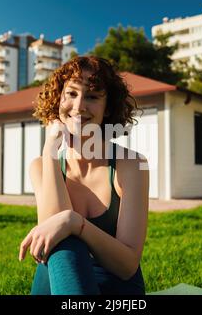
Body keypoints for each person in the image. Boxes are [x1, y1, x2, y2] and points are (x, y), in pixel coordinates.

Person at [18, 55, 149, 295]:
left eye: (92, 96)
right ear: (59, 99)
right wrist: (49, 151)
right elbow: (50, 245)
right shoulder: (41, 165)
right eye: (72, 94)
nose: (79, 107)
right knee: (61, 240)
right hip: (58, 280)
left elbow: (128, 265)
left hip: (115, 287)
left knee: (64, 231)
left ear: (107, 107)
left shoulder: (132, 165)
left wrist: (74, 223)